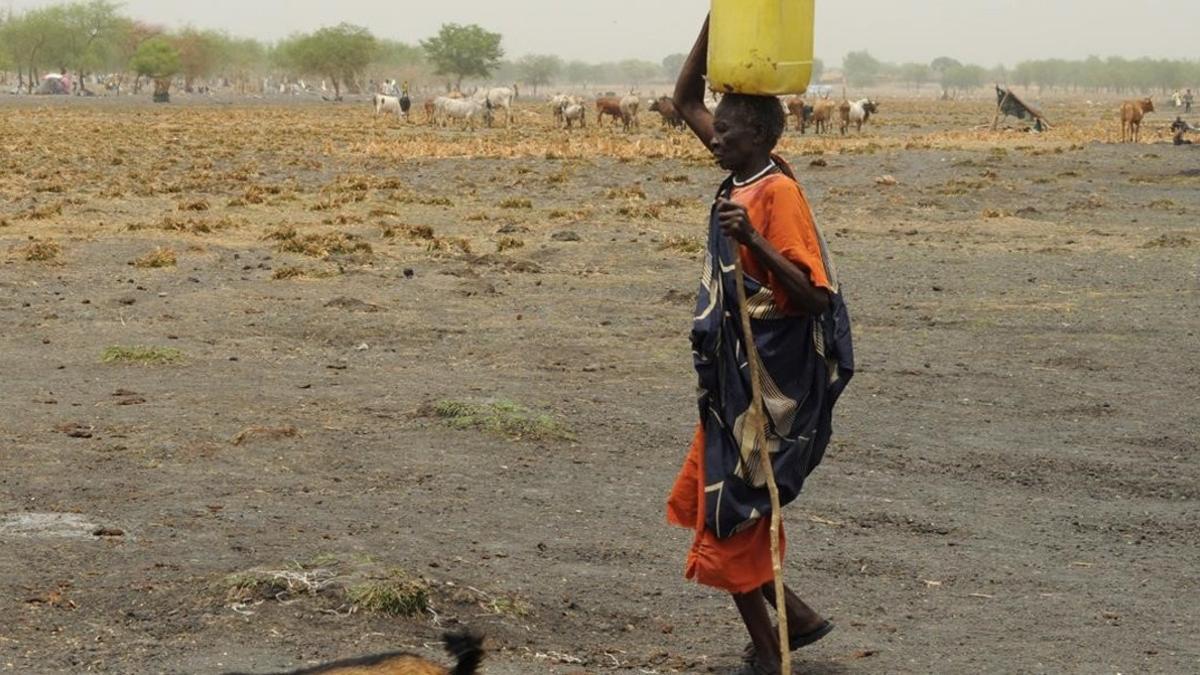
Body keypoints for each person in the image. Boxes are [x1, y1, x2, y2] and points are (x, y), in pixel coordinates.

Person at [665, 16, 855, 675]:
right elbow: (684, 97)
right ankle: (792, 618)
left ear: (760, 136)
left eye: (727, 130)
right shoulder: (742, 171)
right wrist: (719, 21)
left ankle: (778, 646)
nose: (712, 136)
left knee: (728, 508)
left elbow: (815, 297)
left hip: (767, 384)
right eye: (715, 129)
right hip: (733, 378)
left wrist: (753, 240)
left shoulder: (775, 192)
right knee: (712, 499)